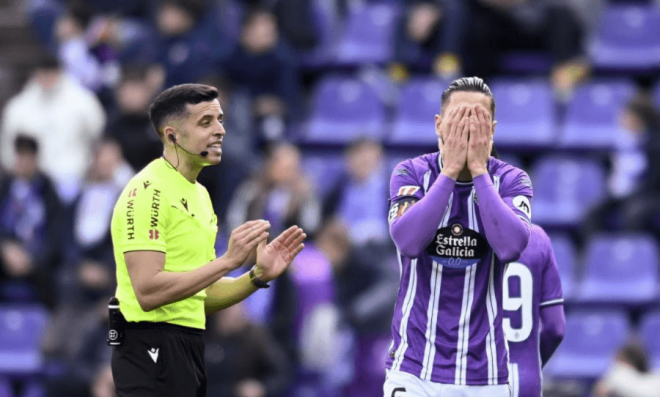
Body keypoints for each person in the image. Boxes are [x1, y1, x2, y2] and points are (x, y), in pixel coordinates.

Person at [110, 84, 306, 397]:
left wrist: (255, 277)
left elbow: (200, 295)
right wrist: (227, 262)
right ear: (173, 135)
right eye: (206, 123)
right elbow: (147, 290)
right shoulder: (148, 192)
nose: (220, 131)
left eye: (220, 120)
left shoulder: (200, 195)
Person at [384, 76, 534, 396]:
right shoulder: (410, 172)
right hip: (413, 367)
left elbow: (510, 247)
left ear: (492, 129)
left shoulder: (511, 180)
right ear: (438, 125)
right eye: (457, 119)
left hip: (485, 373)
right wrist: (450, 171)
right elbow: (408, 242)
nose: (467, 128)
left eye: (477, 120)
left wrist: (479, 172)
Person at [0, 57, 106, 202]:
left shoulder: (83, 102)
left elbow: (98, 136)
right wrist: (19, 169)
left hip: (72, 178)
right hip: (32, 182)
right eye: (43, 73)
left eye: (51, 72)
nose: (47, 77)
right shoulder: (19, 107)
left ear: (59, 72)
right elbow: (7, 147)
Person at [504, 224, 566, 397]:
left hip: (475, 377)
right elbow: (555, 328)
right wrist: (532, 361)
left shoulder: (465, 240)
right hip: (525, 378)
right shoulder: (538, 239)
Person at [594, 342, 660, 397]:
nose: (615, 361)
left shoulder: (619, 372)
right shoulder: (656, 375)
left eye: (619, 358)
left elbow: (600, 391)